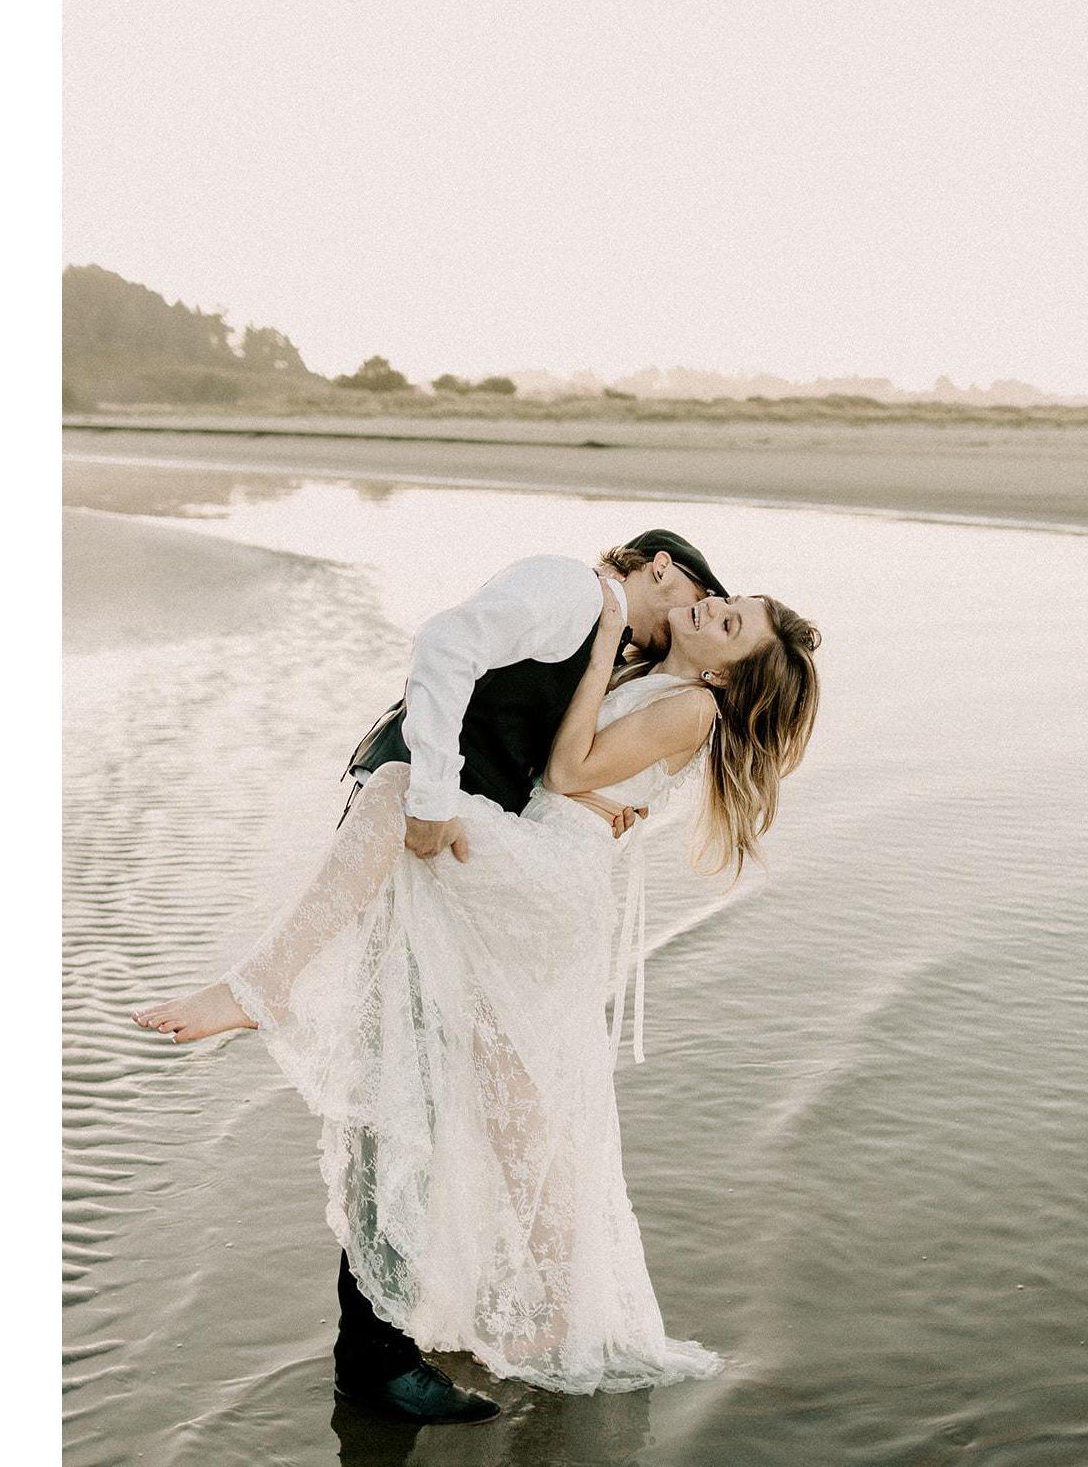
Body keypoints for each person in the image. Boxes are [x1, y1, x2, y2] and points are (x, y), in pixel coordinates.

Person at [132, 530, 821, 1422]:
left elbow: (569, 767)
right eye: (720, 600)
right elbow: (570, 764)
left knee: (397, 798)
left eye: (728, 621)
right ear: (661, 572)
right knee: (520, 1113)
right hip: (542, 865)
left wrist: (609, 639)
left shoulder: (688, 702)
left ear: (726, 675)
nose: (710, 606)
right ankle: (551, 1322)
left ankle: (259, 989)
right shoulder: (659, 679)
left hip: (546, 881)